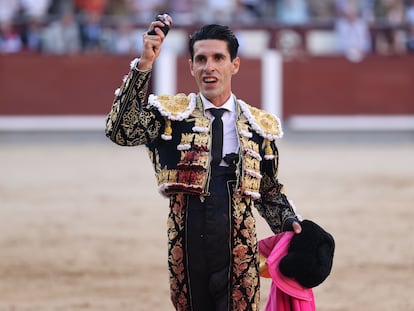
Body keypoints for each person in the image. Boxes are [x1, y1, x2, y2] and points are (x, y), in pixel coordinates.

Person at [105, 17, 302, 311]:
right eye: (201, 59)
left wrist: (290, 223)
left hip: (239, 251)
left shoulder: (257, 125)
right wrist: (144, 64)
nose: (209, 66)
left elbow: (268, 190)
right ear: (191, 66)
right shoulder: (171, 116)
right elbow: (121, 131)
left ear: (234, 65)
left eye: (218, 58)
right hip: (186, 248)